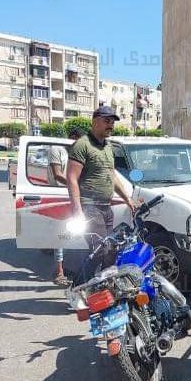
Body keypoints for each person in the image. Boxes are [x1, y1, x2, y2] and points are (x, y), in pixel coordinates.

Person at [65, 106, 139, 281]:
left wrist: (127, 199)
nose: (110, 125)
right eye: (107, 121)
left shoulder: (107, 146)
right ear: (94, 121)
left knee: (111, 250)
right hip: (89, 207)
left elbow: (111, 175)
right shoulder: (82, 145)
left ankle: (103, 287)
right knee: (100, 250)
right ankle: (79, 287)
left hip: (106, 207)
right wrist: (77, 210)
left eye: (112, 122)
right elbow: (71, 178)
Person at [48, 127, 85, 286]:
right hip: (58, 195)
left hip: (72, 194)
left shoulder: (75, 152)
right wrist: (75, 185)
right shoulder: (56, 149)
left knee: (71, 233)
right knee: (60, 236)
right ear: (73, 137)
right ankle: (59, 272)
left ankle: (65, 267)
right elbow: (57, 174)